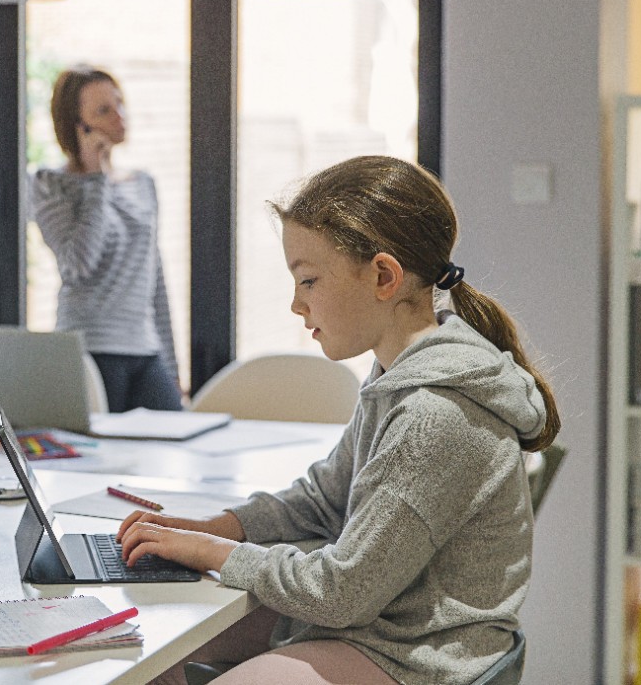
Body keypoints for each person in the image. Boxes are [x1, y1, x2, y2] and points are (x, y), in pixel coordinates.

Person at [118, 155, 561, 685]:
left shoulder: (436, 414)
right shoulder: (398, 374)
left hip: (421, 654)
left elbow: (342, 591)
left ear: (382, 276)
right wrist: (215, 529)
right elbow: (325, 499)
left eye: (308, 281)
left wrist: (216, 552)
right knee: (152, 653)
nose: (295, 304)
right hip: (381, 626)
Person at [30, 65, 182, 413]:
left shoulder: (142, 183)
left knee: (173, 443)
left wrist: (172, 367)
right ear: (76, 125)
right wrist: (96, 180)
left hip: (144, 349)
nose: (120, 115)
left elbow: (154, 278)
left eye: (119, 103)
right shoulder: (49, 184)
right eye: (103, 110)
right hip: (89, 351)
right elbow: (78, 265)